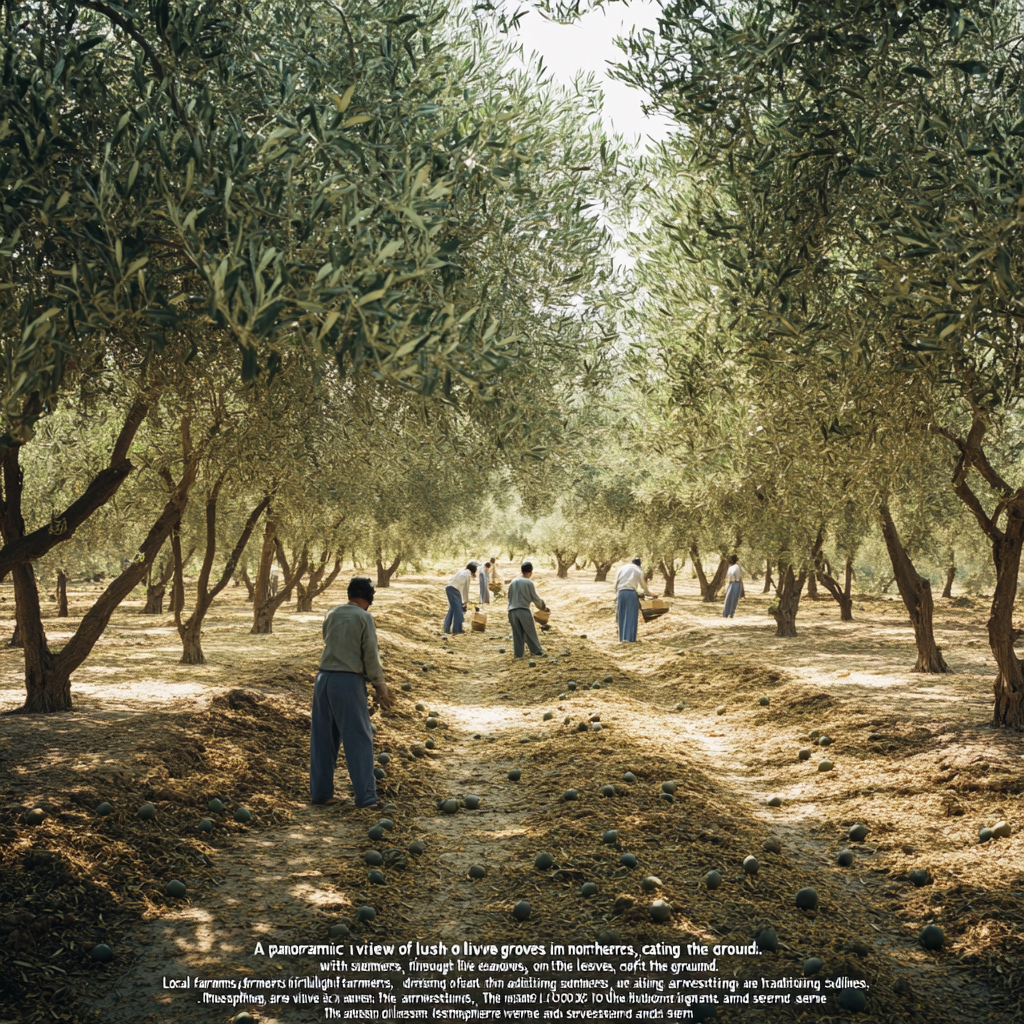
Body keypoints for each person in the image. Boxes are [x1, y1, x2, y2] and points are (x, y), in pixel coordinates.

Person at [310, 577, 392, 809]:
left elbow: (330, 641)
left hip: (323, 679)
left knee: (323, 738)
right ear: (369, 599)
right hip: (347, 681)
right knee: (358, 738)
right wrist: (380, 685)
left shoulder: (331, 613)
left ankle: (321, 794)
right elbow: (370, 654)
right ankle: (366, 798)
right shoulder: (364, 617)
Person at [507, 562, 547, 658]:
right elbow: (535, 598)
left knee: (517, 634)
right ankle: (536, 651)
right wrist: (543, 607)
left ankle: (518, 654)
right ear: (529, 572)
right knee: (530, 632)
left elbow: (509, 596)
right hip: (523, 610)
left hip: (511, 611)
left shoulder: (513, 581)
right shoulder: (528, 582)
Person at [615, 556, 651, 643]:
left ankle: (622, 638)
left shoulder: (621, 568)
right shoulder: (638, 570)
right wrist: (647, 592)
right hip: (631, 593)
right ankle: (629, 639)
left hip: (620, 593)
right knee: (631, 616)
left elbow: (616, 582)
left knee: (622, 615)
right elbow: (642, 584)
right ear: (639, 564)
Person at [444, 561, 478, 635]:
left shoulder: (462, 571)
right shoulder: (468, 575)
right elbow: (466, 589)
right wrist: (465, 602)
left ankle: (446, 628)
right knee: (459, 611)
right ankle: (457, 630)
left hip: (449, 588)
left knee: (452, 609)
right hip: (454, 590)